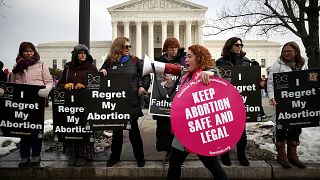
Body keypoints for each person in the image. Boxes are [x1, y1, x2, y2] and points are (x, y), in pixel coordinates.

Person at [167, 44, 228, 180]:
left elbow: (222, 84)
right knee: (174, 166)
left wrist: (211, 73)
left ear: (199, 58)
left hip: (200, 131)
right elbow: (177, 100)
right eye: (185, 57)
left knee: (214, 168)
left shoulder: (205, 75)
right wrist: (170, 85)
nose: (186, 60)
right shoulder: (186, 77)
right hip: (183, 130)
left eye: (189, 56)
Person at [100, 37, 151, 167]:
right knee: (117, 133)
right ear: (118, 47)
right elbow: (100, 76)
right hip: (115, 102)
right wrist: (102, 72)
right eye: (126, 46)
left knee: (134, 132)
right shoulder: (109, 62)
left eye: (130, 46)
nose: (129, 49)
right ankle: (114, 157)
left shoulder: (134, 60)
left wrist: (143, 87)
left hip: (131, 101)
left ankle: (140, 158)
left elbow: (146, 74)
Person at [10, 42, 52, 167]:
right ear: (21, 52)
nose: (29, 53)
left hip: (36, 100)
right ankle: (24, 156)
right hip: (22, 102)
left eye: (31, 51)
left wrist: (47, 90)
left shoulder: (41, 65)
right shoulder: (17, 67)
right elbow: (12, 84)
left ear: (34, 52)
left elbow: (49, 81)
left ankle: (35, 155)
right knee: (23, 129)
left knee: (36, 129)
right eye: (26, 51)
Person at [267, 41, 307, 169]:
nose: (286, 53)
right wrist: (272, 97)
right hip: (283, 101)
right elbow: (270, 83)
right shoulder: (277, 65)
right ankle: (281, 155)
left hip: (298, 100)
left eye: (289, 51)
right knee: (282, 127)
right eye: (284, 51)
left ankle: (292, 154)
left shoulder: (303, 64)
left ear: (296, 52)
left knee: (296, 126)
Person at [57, 44, 98, 166]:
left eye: (85, 52)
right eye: (80, 52)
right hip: (71, 104)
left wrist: (85, 86)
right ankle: (73, 154)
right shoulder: (68, 68)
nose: (83, 54)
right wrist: (65, 85)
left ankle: (85, 155)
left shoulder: (92, 68)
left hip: (86, 104)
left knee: (85, 128)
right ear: (75, 54)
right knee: (73, 127)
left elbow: (97, 86)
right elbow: (59, 84)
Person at [215, 37, 250, 166]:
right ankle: (225, 154)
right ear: (230, 46)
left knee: (241, 130)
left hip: (241, 100)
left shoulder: (246, 62)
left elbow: (249, 82)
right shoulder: (220, 62)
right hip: (226, 100)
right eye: (236, 44)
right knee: (226, 129)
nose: (239, 47)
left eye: (241, 45)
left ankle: (242, 154)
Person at [153, 37, 186, 165]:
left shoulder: (182, 60)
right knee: (164, 127)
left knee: (177, 128)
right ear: (166, 49)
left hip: (178, 99)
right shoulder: (159, 61)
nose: (174, 49)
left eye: (176, 47)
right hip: (163, 99)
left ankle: (178, 155)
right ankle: (168, 152)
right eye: (172, 47)